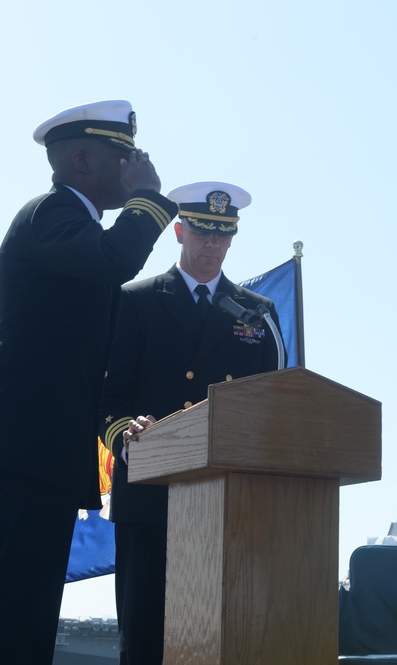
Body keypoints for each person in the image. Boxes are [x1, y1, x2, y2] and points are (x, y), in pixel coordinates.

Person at [0, 100, 177, 665]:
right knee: (18, 611)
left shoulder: (73, 223)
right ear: (82, 160)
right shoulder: (53, 214)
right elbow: (114, 261)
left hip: (42, 443)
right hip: (28, 440)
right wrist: (149, 198)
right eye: (123, 157)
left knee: (28, 611)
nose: (134, 167)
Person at [100, 181, 283, 665]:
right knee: (145, 641)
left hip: (225, 501)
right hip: (150, 496)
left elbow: (271, 403)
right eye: (203, 234)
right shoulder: (134, 301)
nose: (213, 246)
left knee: (218, 640)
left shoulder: (256, 314)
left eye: (223, 237)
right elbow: (107, 395)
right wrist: (127, 437)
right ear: (179, 231)